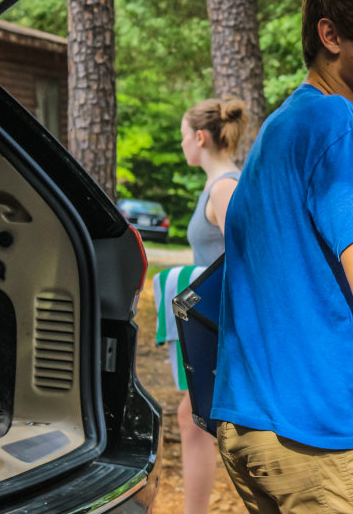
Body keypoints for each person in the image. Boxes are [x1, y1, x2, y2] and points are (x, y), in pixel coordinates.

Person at [210, 0, 353, 512]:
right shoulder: (336, 121)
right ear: (332, 35)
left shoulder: (282, 128)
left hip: (250, 427)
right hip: (322, 436)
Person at [154, 96, 248, 514]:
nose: (181, 147)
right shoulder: (222, 183)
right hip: (215, 323)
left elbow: (251, 256)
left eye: (181, 138)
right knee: (191, 421)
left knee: (195, 421)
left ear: (199, 137)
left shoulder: (225, 187)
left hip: (225, 328)